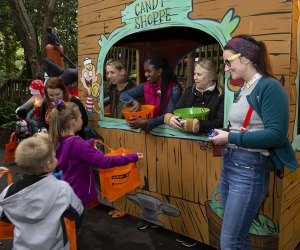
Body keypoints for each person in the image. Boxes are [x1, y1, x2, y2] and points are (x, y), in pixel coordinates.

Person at [209, 35, 298, 249]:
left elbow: (276, 135)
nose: (227, 68)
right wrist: (221, 133)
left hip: (249, 169)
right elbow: (242, 128)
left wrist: (230, 137)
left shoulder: (269, 87)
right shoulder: (243, 90)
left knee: (231, 240)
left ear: (246, 59)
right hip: (230, 165)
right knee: (236, 237)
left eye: (228, 62)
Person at [48, 101, 142, 207]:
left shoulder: (61, 140)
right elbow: (103, 161)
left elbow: (73, 153)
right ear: (74, 121)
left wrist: (87, 143)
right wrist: (131, 157)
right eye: (80, 117)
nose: (82, 120)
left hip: (69, 189)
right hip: (78, 194)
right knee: (75, 222)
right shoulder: (77, 144)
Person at [0, 133, 84, 250]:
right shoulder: (62, 189)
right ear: (49, 165)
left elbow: (4, 216)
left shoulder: (8, 192)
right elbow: (77, 212)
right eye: (54, 156)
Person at [120, 54, 182, 131]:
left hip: (168, 131)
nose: (146, 74)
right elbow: (123, 95)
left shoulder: (174, 89)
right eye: (145, 71)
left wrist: (147, 123)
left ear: (159, 71)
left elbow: (169, 115)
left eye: (149, 71)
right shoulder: (145, 86)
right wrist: (134, 102)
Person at [164, 59, 224, 134]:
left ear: (211, 77)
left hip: (210, 140)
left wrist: (199, 125)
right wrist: (171, 118)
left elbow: (220, 122)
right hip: (185, 137)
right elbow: (177, 110)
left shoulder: (220, 95)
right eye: (194, 74)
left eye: (199, 74)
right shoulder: (189, 91)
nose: (195, 77)